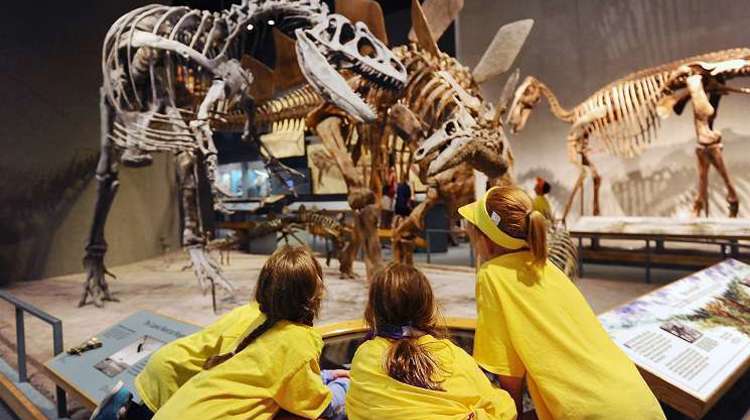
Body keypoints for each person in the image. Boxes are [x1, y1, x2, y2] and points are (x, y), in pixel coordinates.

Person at [459, 186, 664, 420]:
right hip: (639, 401)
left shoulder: (491, 275)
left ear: (487, 242)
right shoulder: (546, 267)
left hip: (591, 413)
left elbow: (507, 371)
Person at [91, 246, 348, 420]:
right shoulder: (293, 341)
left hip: (175, 391)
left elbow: (272, 373)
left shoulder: (255, 321)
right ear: (315, 295)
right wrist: (346, 384)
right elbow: (318, 402)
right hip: (173, 379)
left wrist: (321, 375)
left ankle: (125, 412)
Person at [346, 263, 516, 419]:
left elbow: (356, 410)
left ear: (373, 310)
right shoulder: (452, 354)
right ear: (427, 307)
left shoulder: (366, 356)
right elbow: (504, 409)